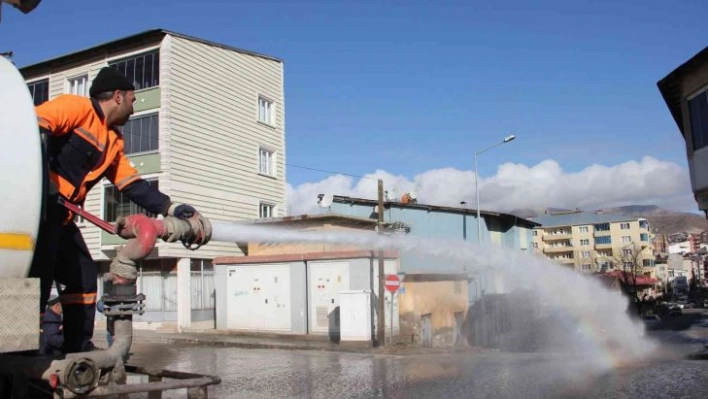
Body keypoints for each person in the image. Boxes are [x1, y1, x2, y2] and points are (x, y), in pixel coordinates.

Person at [29, 67, 199, 353]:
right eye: (133, 100)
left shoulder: (113, 140)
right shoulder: (76, 107)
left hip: (62, 218)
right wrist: (44, 182)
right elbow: (31, 127)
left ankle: (77, 350)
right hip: (37, 213)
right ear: (118, 96)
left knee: (82, 278)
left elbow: (131, 183)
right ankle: (24, 355)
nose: (134, 108)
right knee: (36, 283)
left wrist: (171, 207)